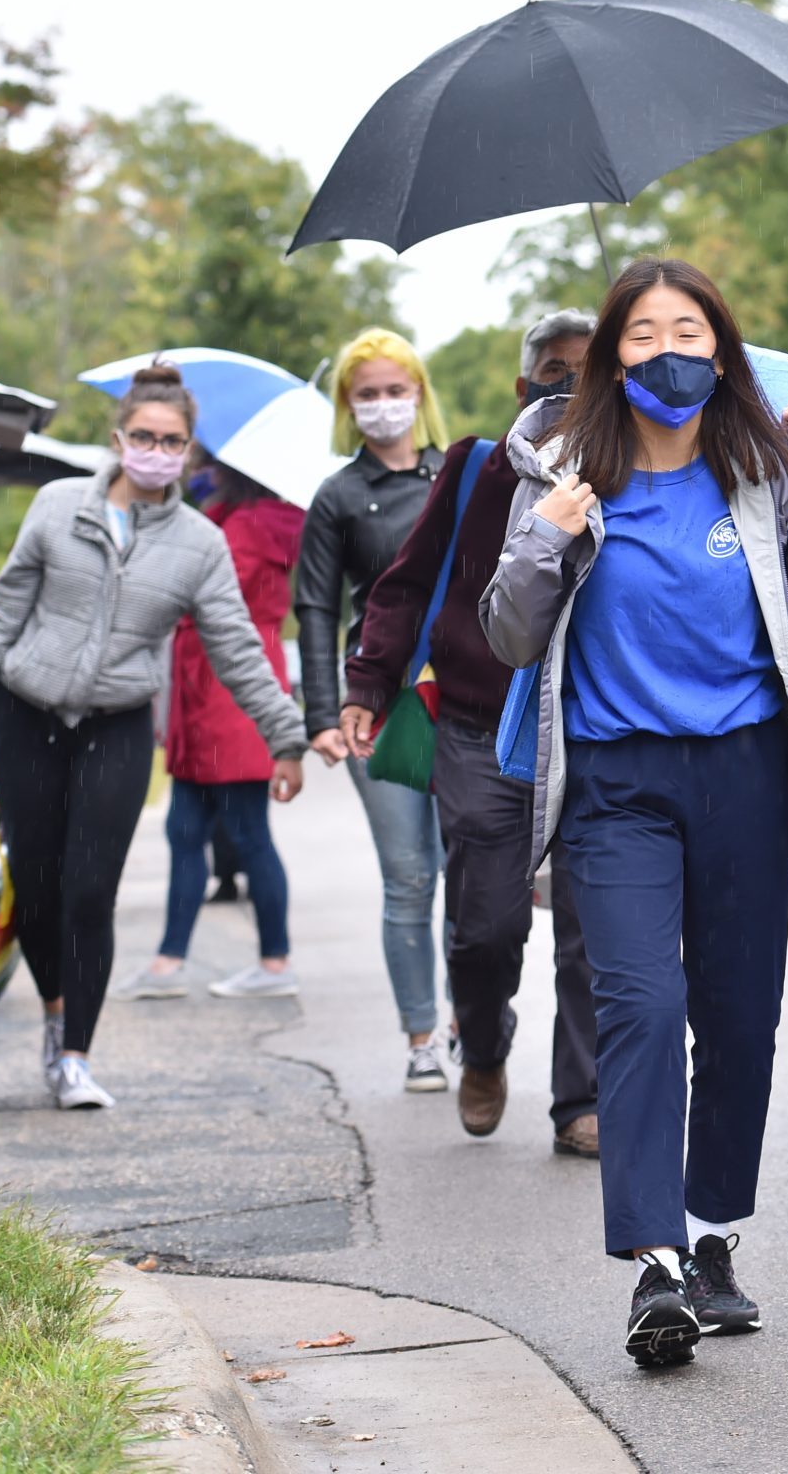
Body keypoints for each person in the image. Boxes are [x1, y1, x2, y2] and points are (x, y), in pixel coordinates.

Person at [482, 258, 788, 1369]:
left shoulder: (763, 471)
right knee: (639, 1008)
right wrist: (545, 538)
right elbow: (509, 634)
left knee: (740, 1019)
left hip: (746, 780)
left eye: (692, 329)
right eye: (645, 332)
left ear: (724, 348)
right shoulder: (563, 472)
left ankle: (714, 1241)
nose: (670, 349)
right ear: (613, 352)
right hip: (614, 786)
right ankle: (657, 1267)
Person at [0, 364, 309, 1111]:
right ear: (118, 439)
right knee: (36, 890)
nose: (155, 450)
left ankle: (75, 1054)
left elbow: (239, 647)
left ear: (190, 452)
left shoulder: (199, 544)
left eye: (171, 441)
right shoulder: (56, 508)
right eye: (143, 437)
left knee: (89, 891)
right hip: (26, 715)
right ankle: (54, 1011)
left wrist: (286, 735)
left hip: (116, 726)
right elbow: (7, 615)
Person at [340, 311, 601, 1154]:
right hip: (481, 727)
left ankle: (581, 1104)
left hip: (597, 730)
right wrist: (369, 681)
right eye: (554, 373)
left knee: (593, 926)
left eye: (587, 372)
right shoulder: (478, 466)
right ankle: (482, 1046)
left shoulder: (642, 470)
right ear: (524, 388)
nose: (570, 386)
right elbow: (406, 582)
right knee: (486, 926)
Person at [295, 331, 453, 1092]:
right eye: (369, 394)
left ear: (420, 393)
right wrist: (322, 715)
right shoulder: (335, 497)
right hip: (378, 703)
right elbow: (315, 607)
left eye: (397, 390)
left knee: (471, 873)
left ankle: (469, 1019)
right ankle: (421, 1034)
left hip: (458, 696)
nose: (385, 406)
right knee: (409, 877)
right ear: (347, 405)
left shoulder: (456, 474)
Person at [116, 463, 308, 1002]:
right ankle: (168, 962)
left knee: (247, 833)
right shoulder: (232, 521)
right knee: (184, 831)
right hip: (205, 695)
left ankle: (275, 961)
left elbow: (203, 599)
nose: (197, 470)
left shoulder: (247, 528)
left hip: (233, 694)